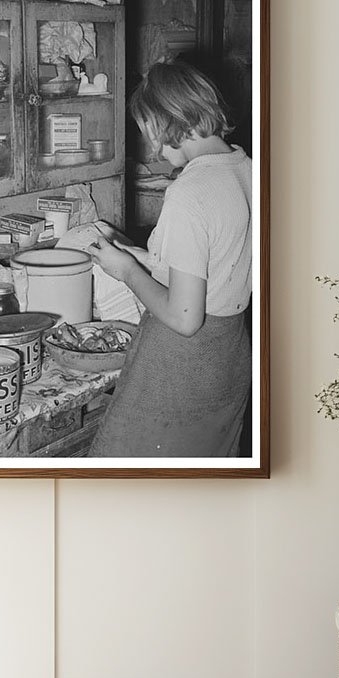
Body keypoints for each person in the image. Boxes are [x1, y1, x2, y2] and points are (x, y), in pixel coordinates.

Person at [87, 61, 252, 457]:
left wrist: (126, 270)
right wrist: (143, 257)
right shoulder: (246, 168)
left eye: (153, 135)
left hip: (183, 365)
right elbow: (220, 262)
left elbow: (184, 317)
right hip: (230, 355)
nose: (154, 149)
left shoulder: (190, 191)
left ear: (172, 122)